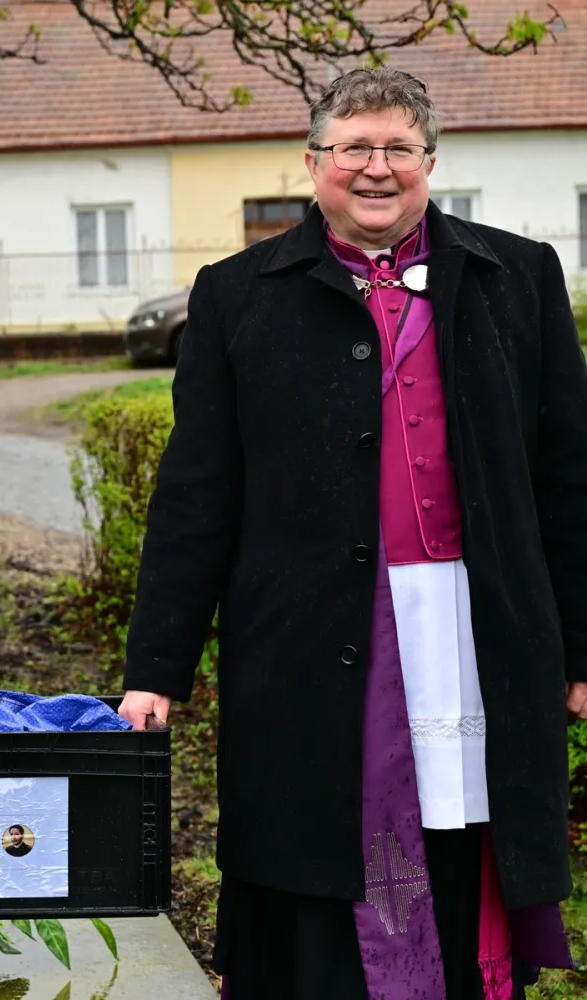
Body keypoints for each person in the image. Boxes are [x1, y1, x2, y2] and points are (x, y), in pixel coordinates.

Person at [120, 67, 587, 1000]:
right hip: (305, 634)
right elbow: (195, 495)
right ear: (313, 162)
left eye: (398, 150)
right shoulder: (236, 294)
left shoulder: (519, 276)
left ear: (431, 163)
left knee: (468, 828)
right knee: (314, 840)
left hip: (476, 622)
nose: (376, 170)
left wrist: (579, 647)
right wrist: (155, 670)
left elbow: (568, 479)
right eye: (354, 149)